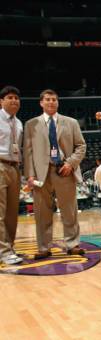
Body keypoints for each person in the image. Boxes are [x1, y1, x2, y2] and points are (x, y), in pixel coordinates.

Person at [23, 89, 86, 259]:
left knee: (69, 211)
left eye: (54, 100)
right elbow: (27, 152)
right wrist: (29, 175)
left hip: (64, 170)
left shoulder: (71, 122)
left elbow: (81, 146)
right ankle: (44, 247)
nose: (51, 102)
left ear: (58, 103)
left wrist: (70, 164)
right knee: (41, 213)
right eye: (48, 99)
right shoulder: (31, 124)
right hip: (40, 174)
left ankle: (72, 244)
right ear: (41, 103)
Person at [0, 86, 23, 265]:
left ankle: (10, 247)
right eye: (10, 97)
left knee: (11, 212)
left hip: (15, 167)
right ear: (1, 101)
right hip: (0, 164)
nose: (14, 100)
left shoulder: (19, 123)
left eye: (16, 98)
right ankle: (4, 251)